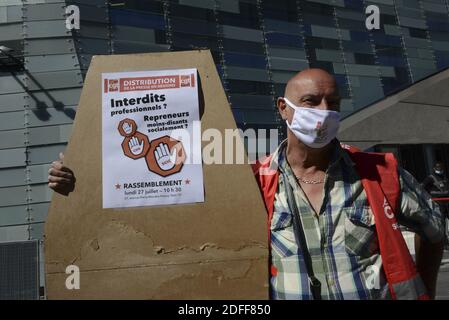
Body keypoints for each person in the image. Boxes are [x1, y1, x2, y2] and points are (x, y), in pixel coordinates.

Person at [48, 68, 444, 300]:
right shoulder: (252, 184)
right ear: (282, 109)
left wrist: (421, 290)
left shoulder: (380, 172)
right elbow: (160, 215)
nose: (324, 113)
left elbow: (434, 230)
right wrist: (80, 186)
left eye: (333, 103)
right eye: (311, 102)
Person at [423, 162, 449, 245]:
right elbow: (423, 187)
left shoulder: (444, 177)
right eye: (438, 168)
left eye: (441, 168)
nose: (440, 169)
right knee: (442, 221)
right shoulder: (430, 178)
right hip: (438, 202)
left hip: (447, 201)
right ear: (434, 169)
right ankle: (444, 241)